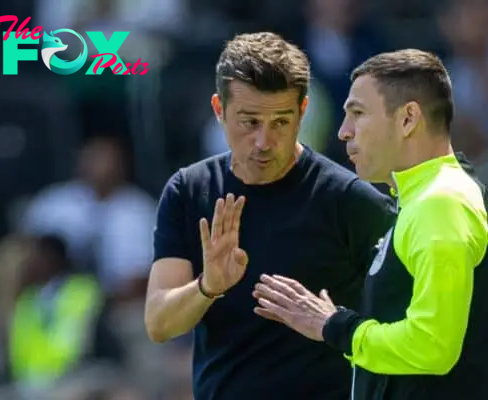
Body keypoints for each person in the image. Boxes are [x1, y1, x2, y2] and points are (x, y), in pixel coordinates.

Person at [144, 32, 395, 400]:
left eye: (280, 122)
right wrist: (208, 287)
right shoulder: (188, 191)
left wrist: (332, 324)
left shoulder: (350, 200)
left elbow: (407, 326)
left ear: (302, 112)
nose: (264, 141)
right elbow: (159, 323)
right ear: (219, 110)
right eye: (249, 122)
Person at [253, 49, 488, 399]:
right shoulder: (434, 195)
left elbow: (432, 345)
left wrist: (335, 327)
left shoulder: (441, 202)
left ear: (408, 119)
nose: (344, 132)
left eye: (357, 113)